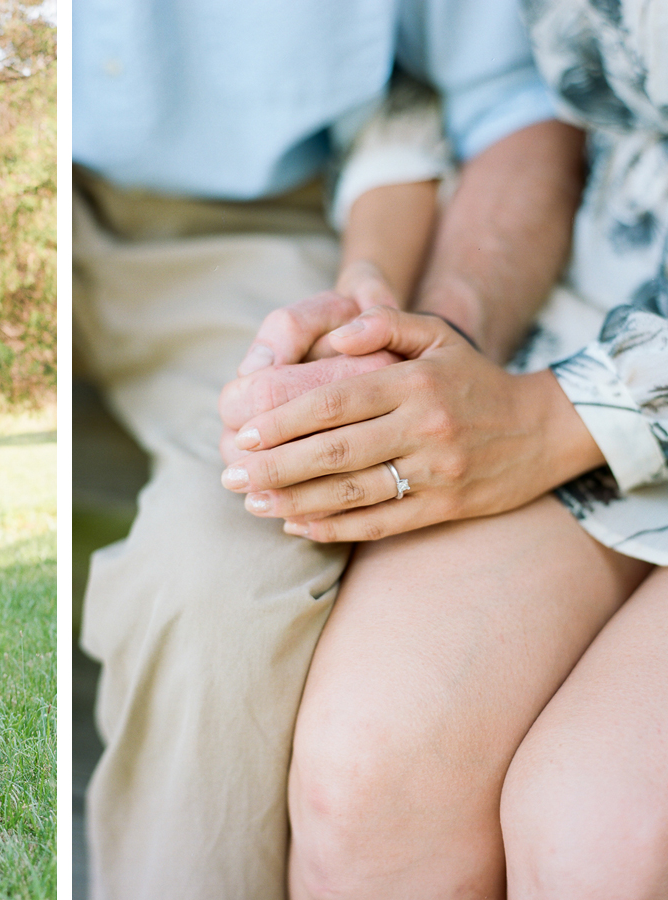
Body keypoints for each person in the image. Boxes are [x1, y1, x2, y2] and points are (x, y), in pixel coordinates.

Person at [72, 2, 586, 897]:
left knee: (226, 569)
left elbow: (490, 103)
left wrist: (393, 312)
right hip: (1, 193)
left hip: (246, 223)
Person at [216, 0, 668, 894]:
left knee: (598, 833)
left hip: (586, 390)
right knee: (369, 776)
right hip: (585, 305)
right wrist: (387, 309)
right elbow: (430, 79)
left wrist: (558, 419)